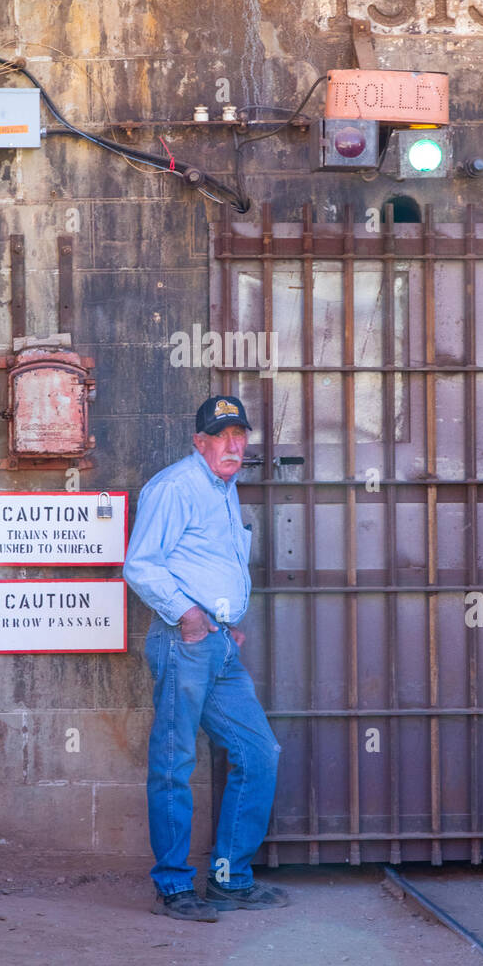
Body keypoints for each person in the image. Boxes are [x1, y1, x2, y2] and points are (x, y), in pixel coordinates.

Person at [123, 395, 289, 922]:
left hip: (216, 643)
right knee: (174, 765)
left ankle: (229, 877)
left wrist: (225, 621)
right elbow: (141, 565)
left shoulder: (224, 488)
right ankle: (173, 886)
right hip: (182, 641)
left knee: (259, 752)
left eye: (240, 435)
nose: (233, 445)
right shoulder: (175, 487)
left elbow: (213, 562)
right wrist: (190, 616)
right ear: (200, 442)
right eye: (221, 436)